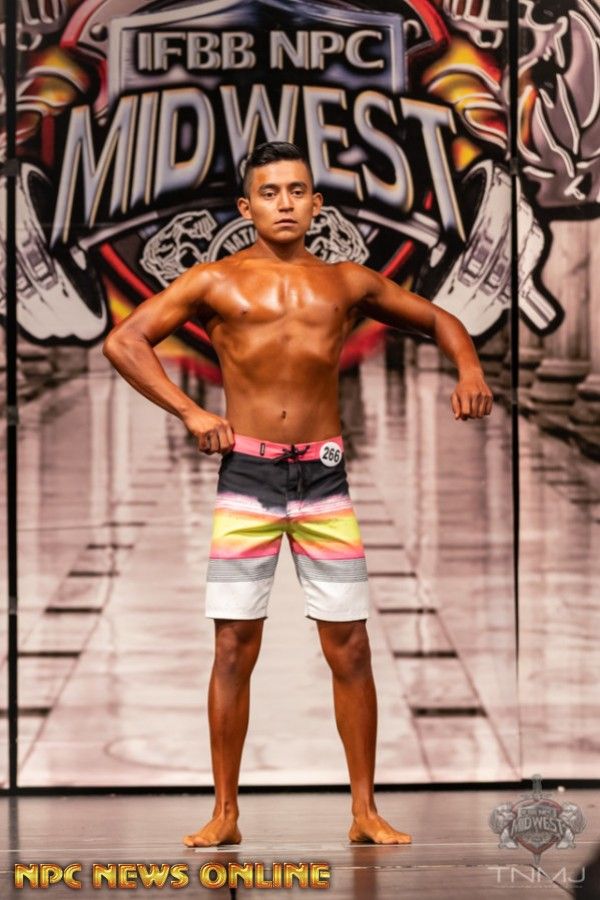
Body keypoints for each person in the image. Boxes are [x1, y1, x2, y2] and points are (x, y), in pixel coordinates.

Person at [102, 141, 493, 848]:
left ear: (316, 203)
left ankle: (364, 811)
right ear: (245, 207)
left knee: (350, 647)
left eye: (296, 191)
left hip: (323, 479)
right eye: (269, 192)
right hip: (247, 477)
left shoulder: (346, 281)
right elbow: (125, 341)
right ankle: (225, 813)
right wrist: (190, 412)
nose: (284, 203)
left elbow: (442, 319)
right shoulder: (215, 281)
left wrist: (468, 368)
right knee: (232, 646)